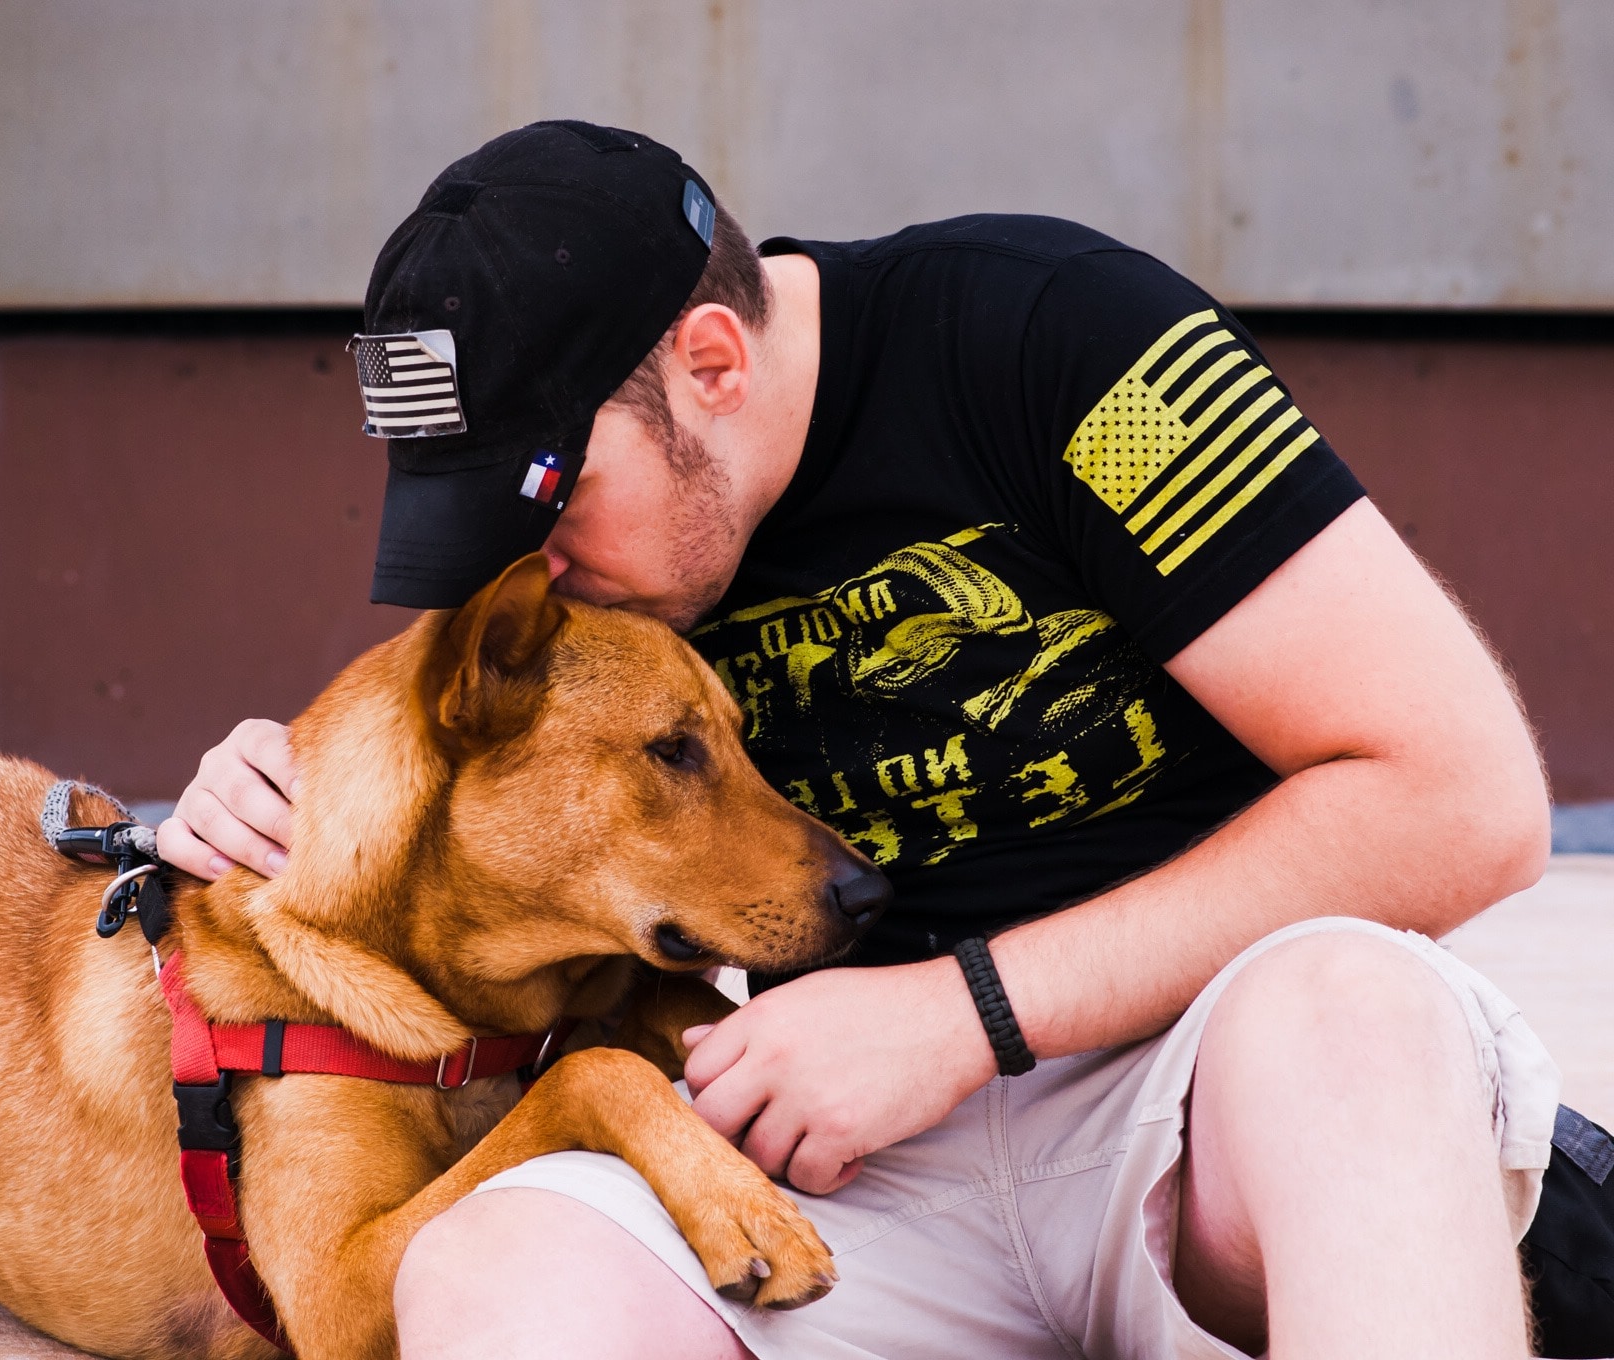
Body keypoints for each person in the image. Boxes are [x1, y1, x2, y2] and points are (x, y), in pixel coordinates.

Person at [158, 121, 1560, 1359]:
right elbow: (476, 762)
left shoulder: (1062, 347)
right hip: (844, 1165)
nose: (540, 571)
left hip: (1197, 1112)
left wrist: (969, 1013)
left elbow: (1463, 800)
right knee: (499, 1273)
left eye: (554, 501)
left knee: (1356, 1018)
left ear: (711, 363)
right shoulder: (612, 572)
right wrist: (278, 785)